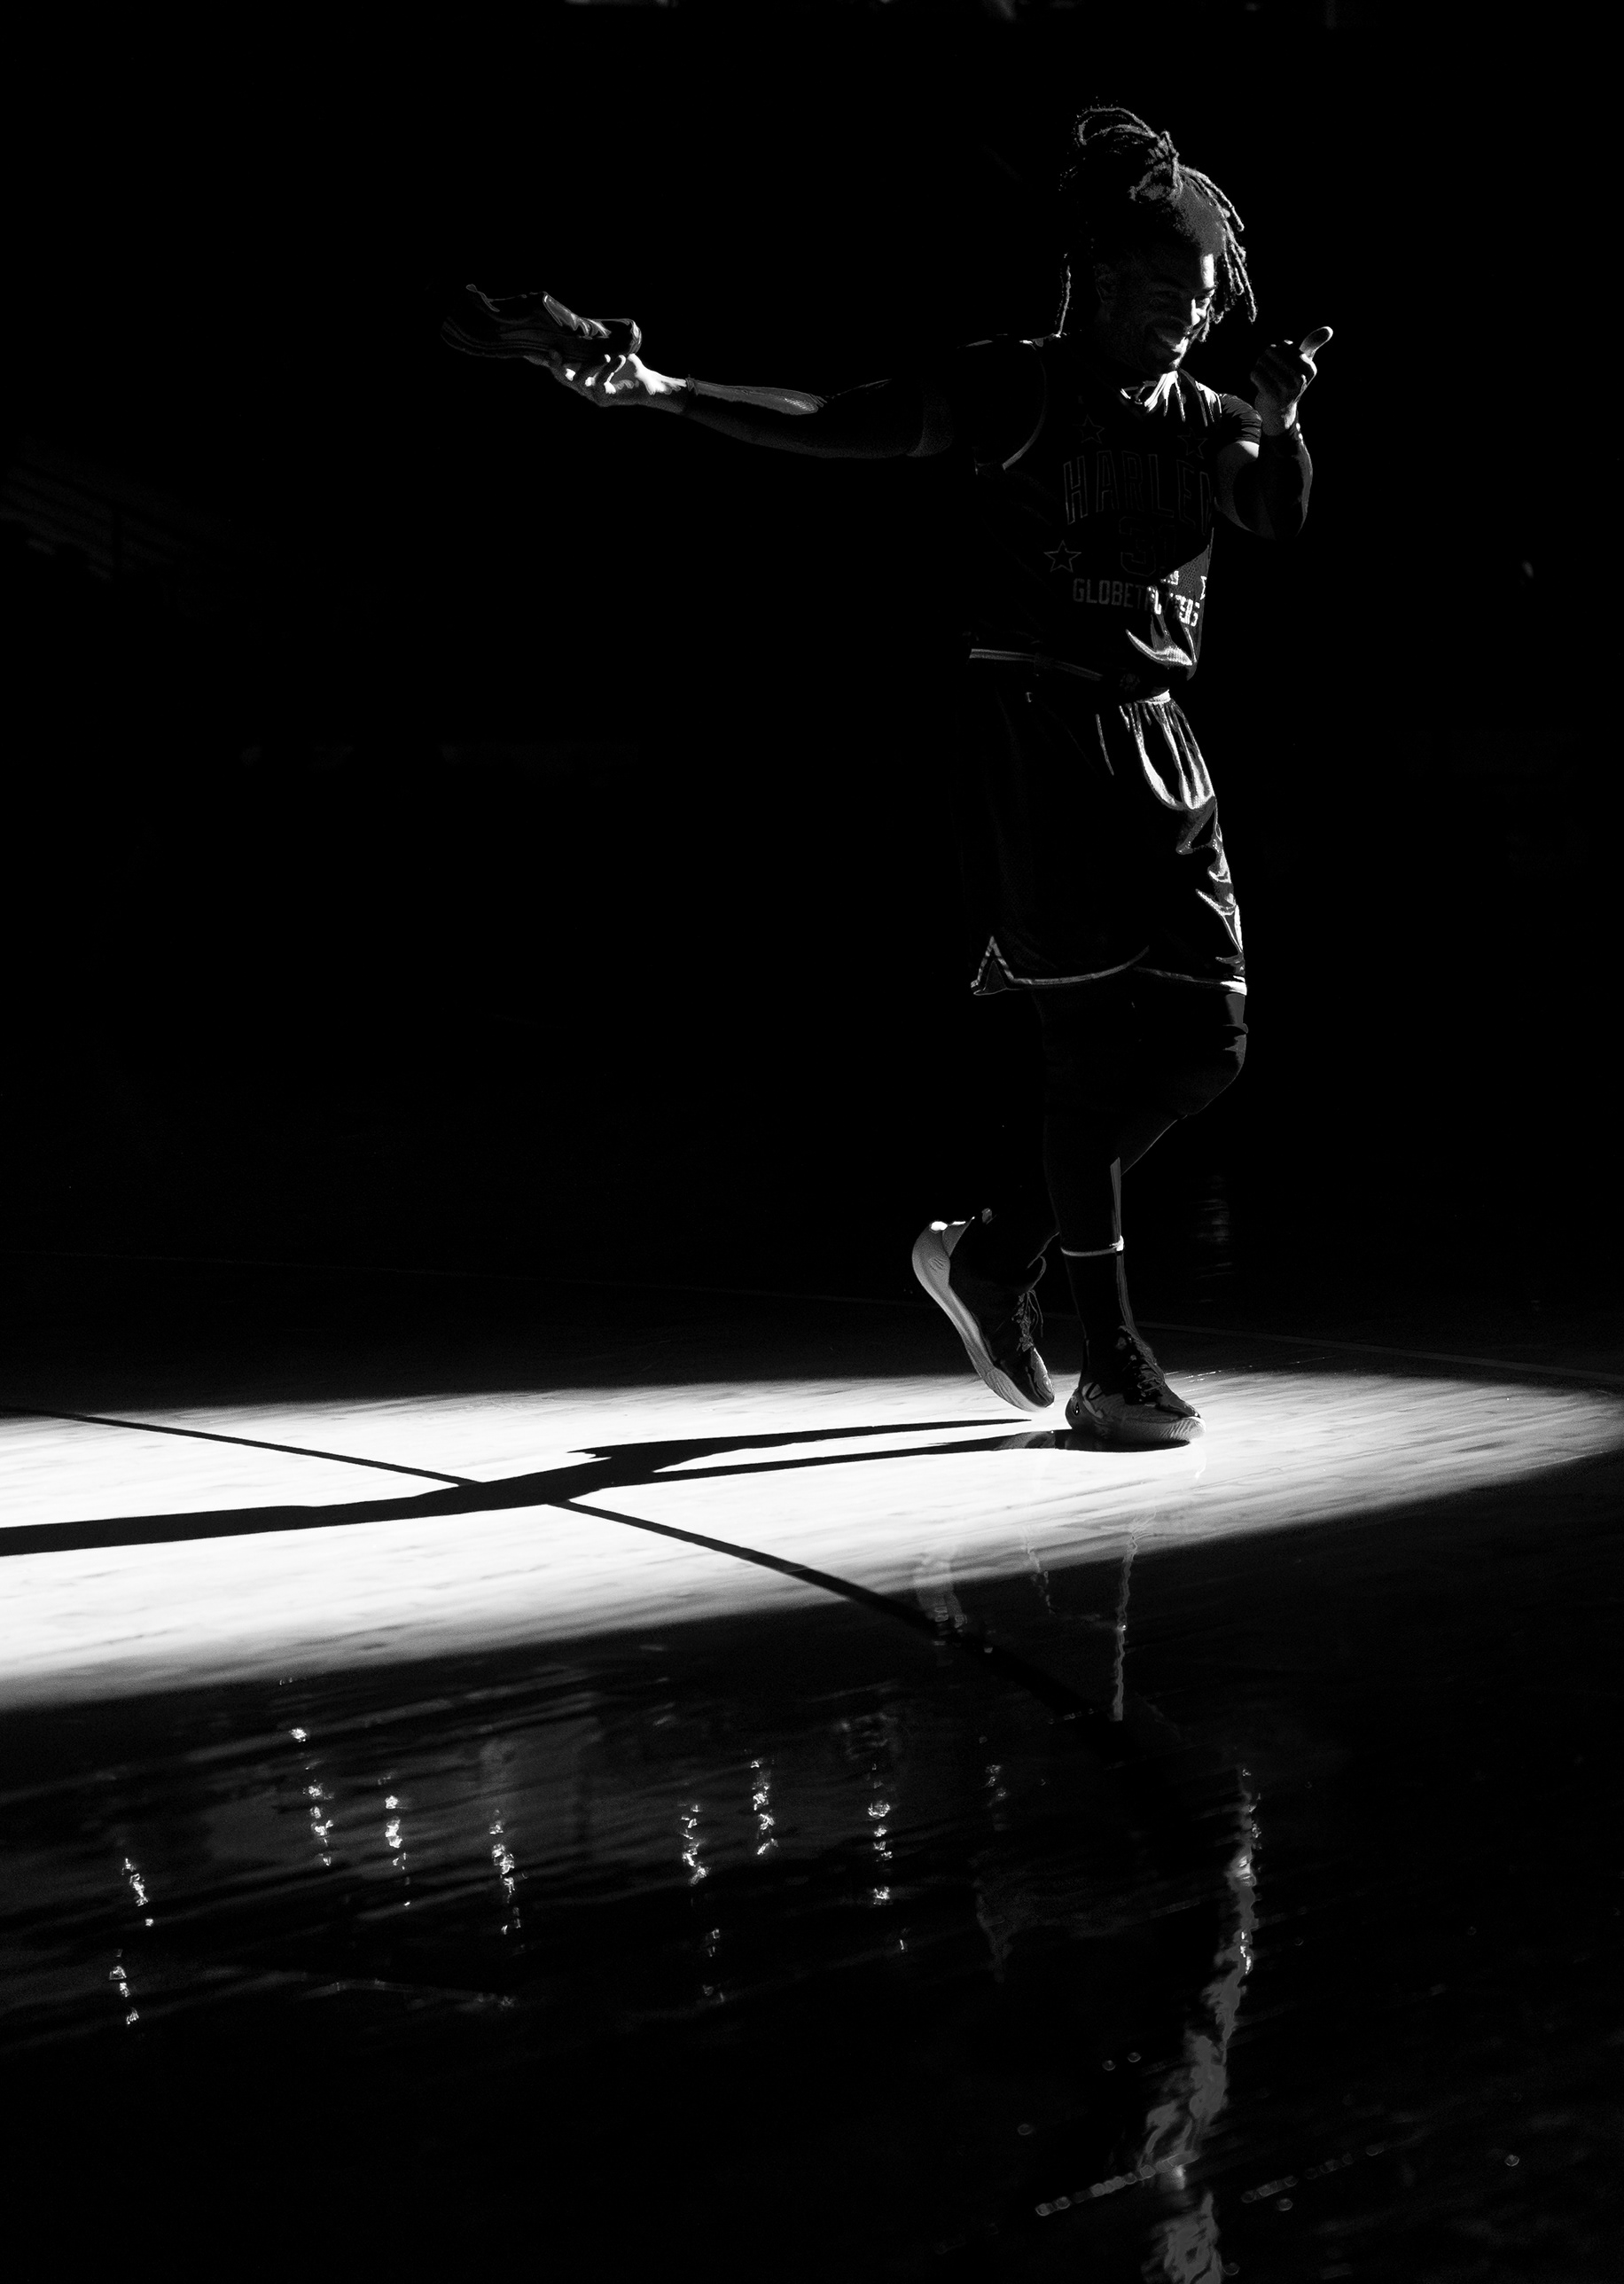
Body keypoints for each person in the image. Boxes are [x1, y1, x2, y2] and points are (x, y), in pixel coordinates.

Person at [443, 104, 1329, 1449]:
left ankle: (995, 1258)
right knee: (1089, 1061)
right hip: (1037, 732)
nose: (1188, 314)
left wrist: (1281, 422)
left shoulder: (1208, 417)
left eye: (1203, 296)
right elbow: (836, 420)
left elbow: (1276, 513)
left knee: (1210, 1049)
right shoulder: (1020, 389)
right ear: (1097, 277)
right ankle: (1113, 1360)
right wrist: (669, 391)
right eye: (1165, 287)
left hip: (1163, 737)